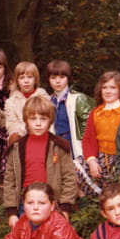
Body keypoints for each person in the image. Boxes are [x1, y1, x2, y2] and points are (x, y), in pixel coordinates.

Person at [2, 95, 78, 226]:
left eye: (43, 119)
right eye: (33, 119)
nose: (38, 123)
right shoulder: (17, 147)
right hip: (26, 204)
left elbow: (69, 178)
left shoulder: (59, 146)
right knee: (27, 236)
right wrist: (12, 212)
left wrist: (65, 207)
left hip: (52, 204)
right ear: (26, 120)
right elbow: (10, 181)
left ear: (50, 120)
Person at [46, 60, 95, 191]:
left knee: (81, 178)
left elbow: (87, 127)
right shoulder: (48, 101)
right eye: (53, 78)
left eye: (62, 77)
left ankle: (86, 200)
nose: (58, 81)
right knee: (63, 178)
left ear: (68, 78)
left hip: (74, 144)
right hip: (57, 143)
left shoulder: (77, 99)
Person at [82, 71, 120, 194]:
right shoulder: (96, 112)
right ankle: (91, 200)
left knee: (116, 188)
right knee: (74, 167)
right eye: (104, 87)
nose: (108, 91)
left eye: (113, 87)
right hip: (100, 158)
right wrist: (92, 161)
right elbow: (87, 139)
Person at [5, 61, 49, 144]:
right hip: (21, 138)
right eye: (22, 78)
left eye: (30, 77)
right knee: (14, 137)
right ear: (17, 81)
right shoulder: (11, 102)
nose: (26, 81)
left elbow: (49, 120)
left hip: (41, 134)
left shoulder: (44, 98)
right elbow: (11, 125)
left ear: (35, 80)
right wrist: (26, 131)